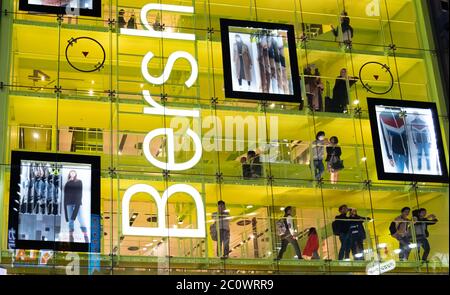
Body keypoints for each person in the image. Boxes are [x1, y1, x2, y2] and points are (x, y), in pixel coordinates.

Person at [379, 107, 410, 173]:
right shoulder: (382, 115)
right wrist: (389, 156)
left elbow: (407, 127)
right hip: (397, 152)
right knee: (400, 177)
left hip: (408, 150)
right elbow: (385, 137)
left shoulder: (401, 111)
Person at [63, 170, 89, 243]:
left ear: (76, 174)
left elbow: (80, 194)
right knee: (70, 221)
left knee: (81, 220)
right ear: (69, 174)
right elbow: (65, 196)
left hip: (77, 203)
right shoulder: (67, 183)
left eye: (74, 172)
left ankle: (86, 236)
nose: (72, 173)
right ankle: (71, 236)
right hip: (68, 203)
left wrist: (77, 205)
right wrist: (65, 214)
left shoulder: (79, 182)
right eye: (71, 172)